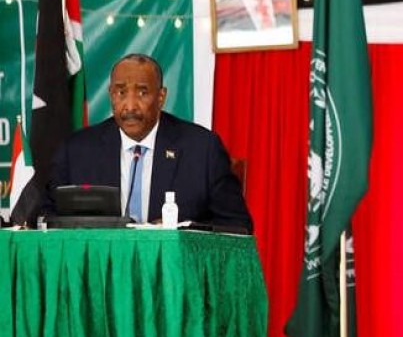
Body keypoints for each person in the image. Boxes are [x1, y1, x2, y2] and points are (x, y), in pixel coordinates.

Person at [45, 53, 253, 233]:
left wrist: (182, 232)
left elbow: (237, 227)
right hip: (100, 274)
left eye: (143, 92)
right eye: (120, 92)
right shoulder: (76, 151)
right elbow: (47, 219)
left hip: (175, 274)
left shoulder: (202, 150)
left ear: (161, 97)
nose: (130, 106)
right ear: (111, 95)